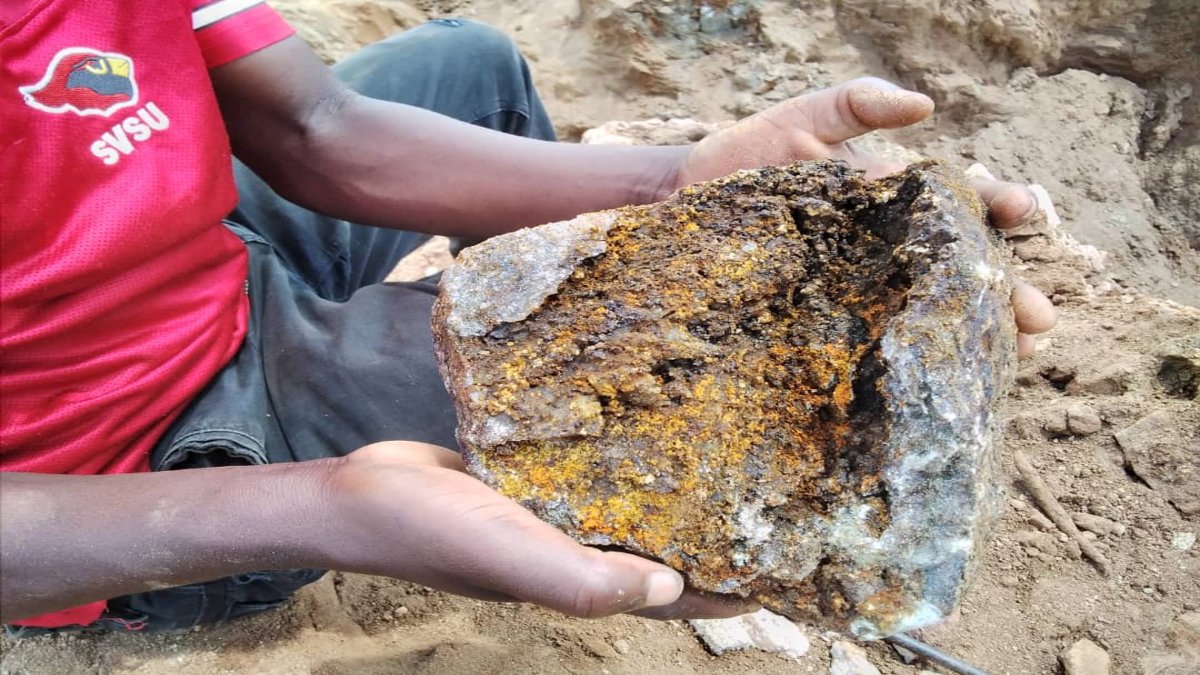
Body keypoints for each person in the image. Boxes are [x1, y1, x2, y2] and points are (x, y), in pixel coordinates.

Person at [0, 1, 1057, 632]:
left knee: (476, 67)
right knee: (668, 429)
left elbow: (318, 127)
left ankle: (501, 329)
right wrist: (326, 508)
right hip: (121, 448)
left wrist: (672, 180)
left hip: (204, 251)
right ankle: (413, 408)